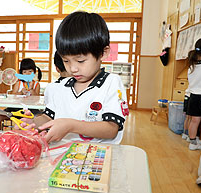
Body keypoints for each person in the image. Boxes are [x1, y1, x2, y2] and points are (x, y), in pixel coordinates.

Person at [16, 11, 128, 144]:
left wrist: (71, 126)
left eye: (80, 61)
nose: (73, 68)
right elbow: (48, 117)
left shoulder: (111, 83)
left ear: (103, 53)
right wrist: (34, 122)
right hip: (63, 157)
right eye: (66, 61)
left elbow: (111, 129)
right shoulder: (61, 87)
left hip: (98, 158)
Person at [0, 58, 42, 130]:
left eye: (30, 71)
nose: (27, 74)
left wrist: (31, 89)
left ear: (34, 72)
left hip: (31, 111)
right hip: (16, 109)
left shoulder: (36, 84)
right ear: (21, 73)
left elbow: (37, 98)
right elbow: (12, 96)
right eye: (25, 72)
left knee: (40, 118)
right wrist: (20, 92)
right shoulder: (18, 83)